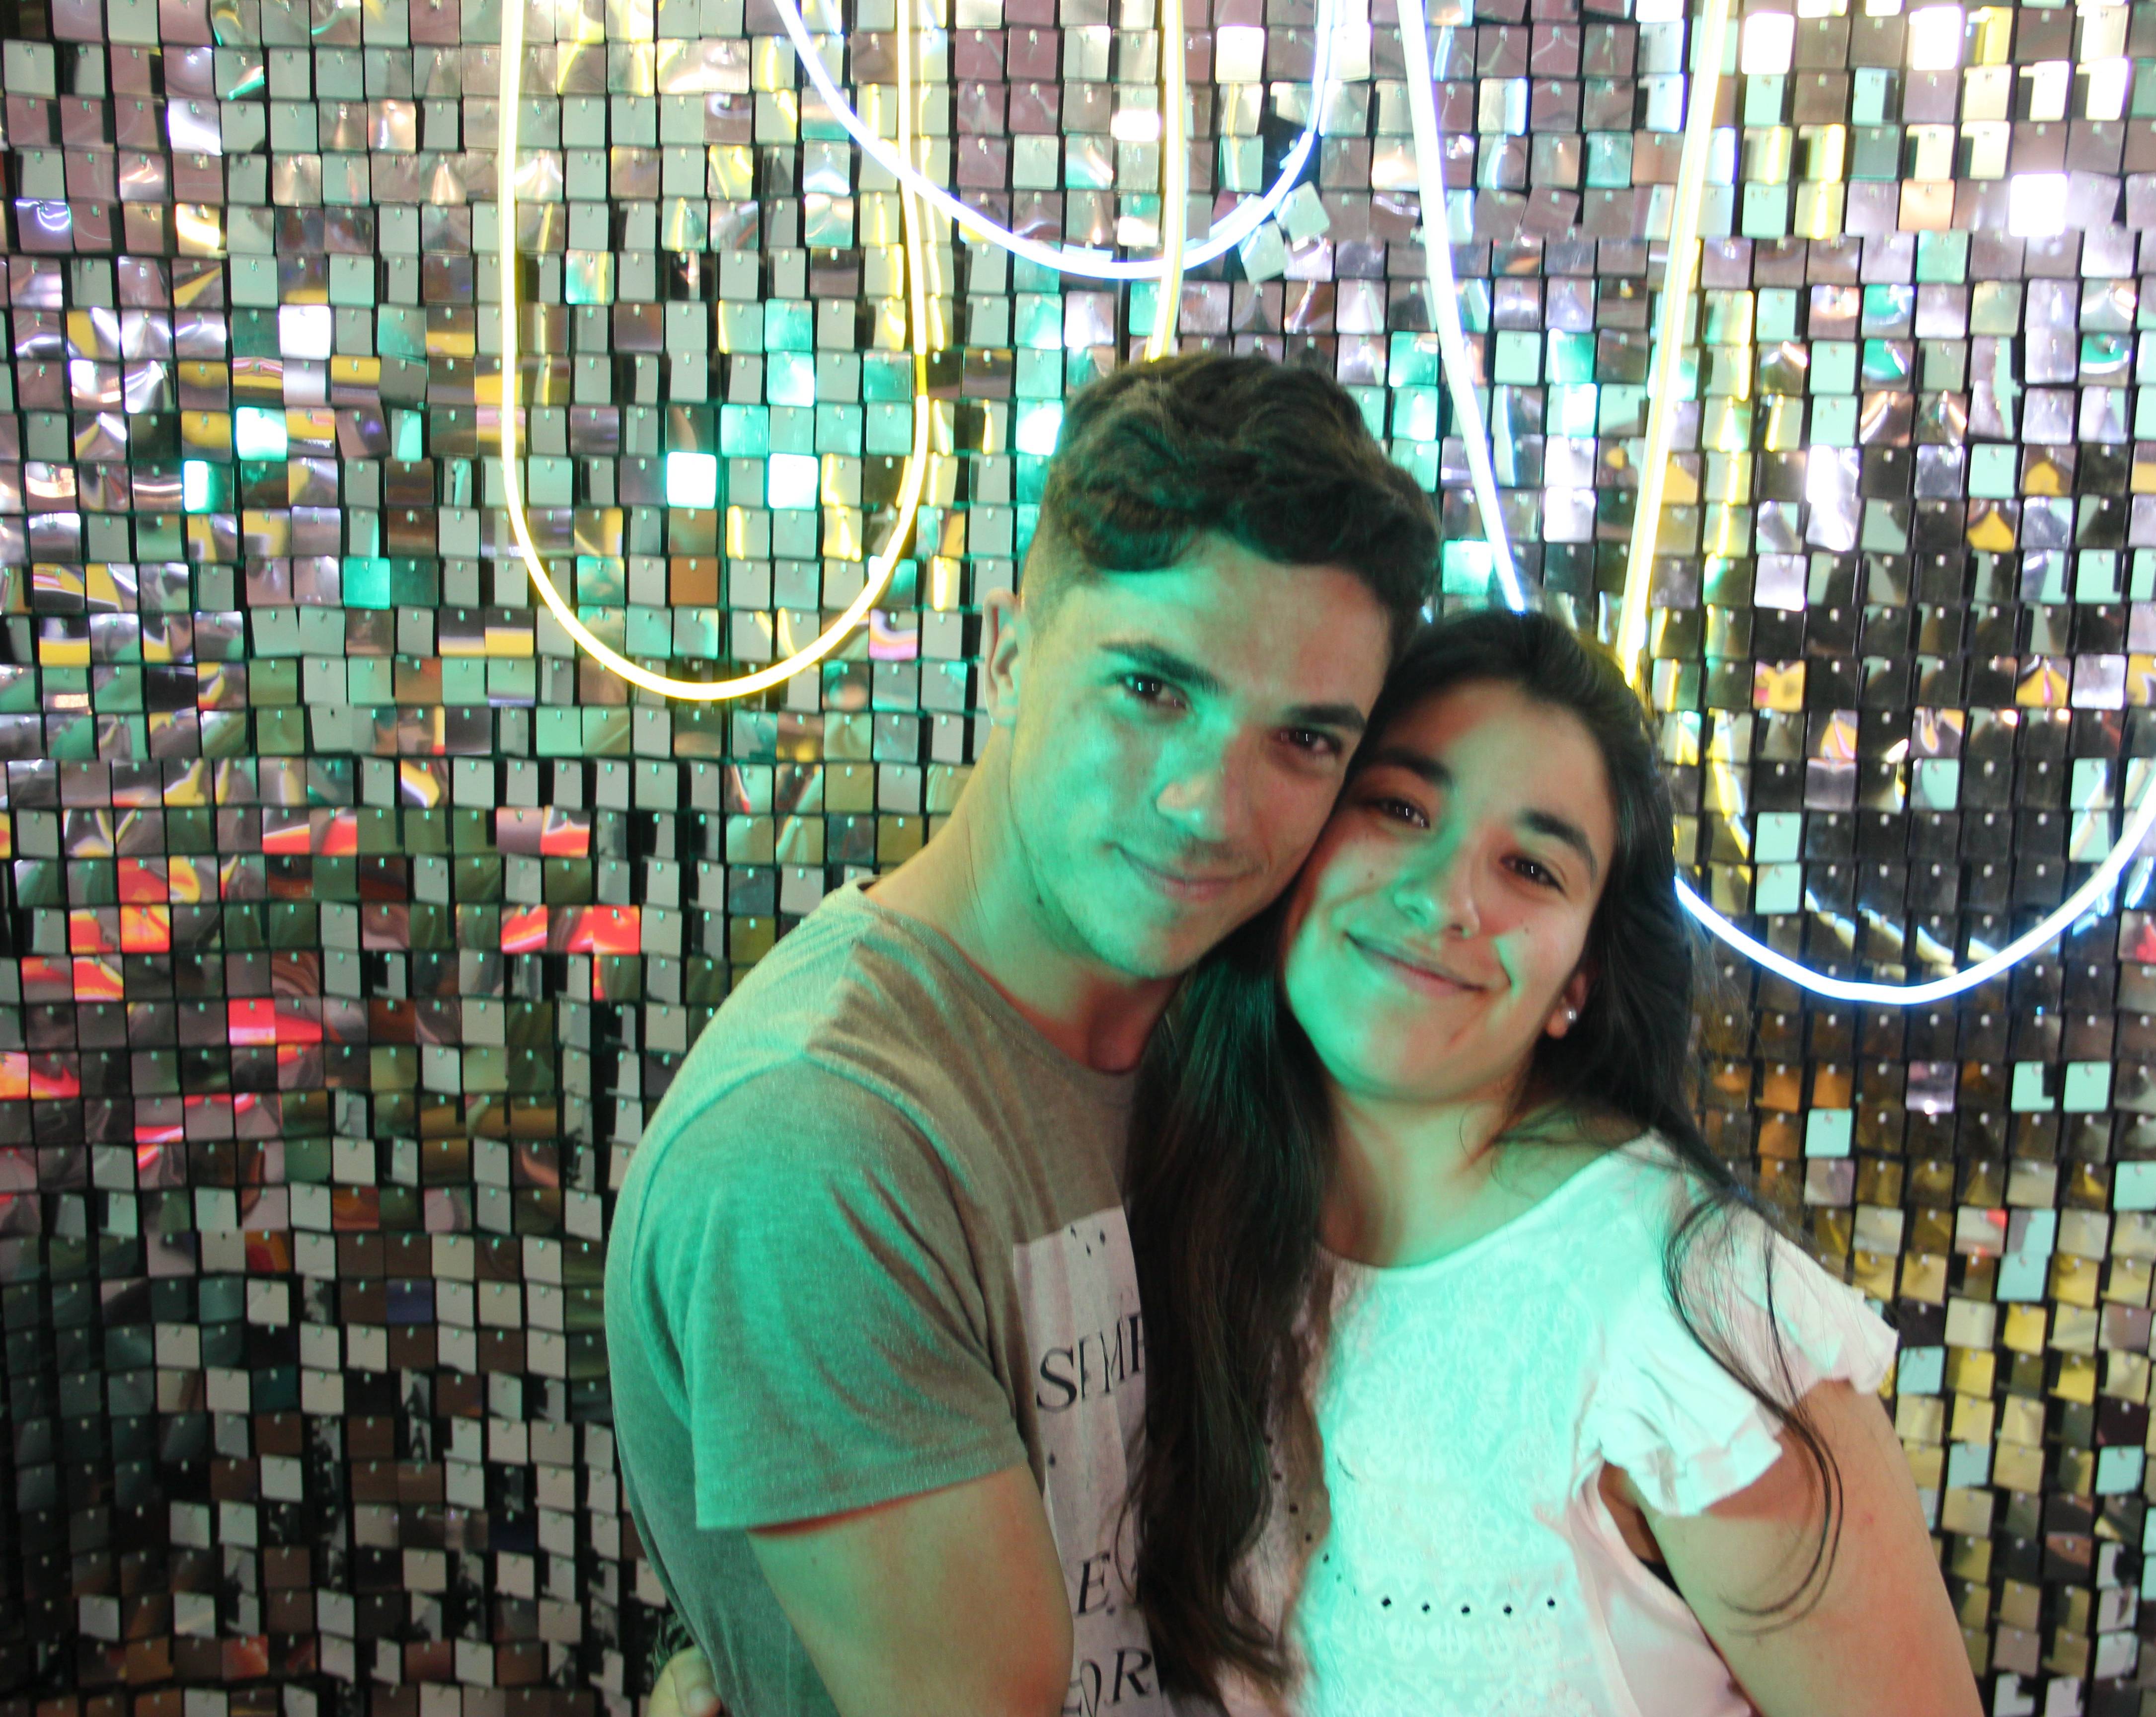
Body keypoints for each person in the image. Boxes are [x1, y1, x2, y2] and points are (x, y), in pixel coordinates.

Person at [652, 608, 1984, 1715]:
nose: (1446, 897)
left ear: (1581, 978)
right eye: (1398, 809)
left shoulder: (1685, 1314)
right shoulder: (1198, 1201)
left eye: (1532, 867)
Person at [604, 351, 1440, 1717]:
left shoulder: (1254, 1031)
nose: (1210, 807)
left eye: (1302, 742)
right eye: (1152, 689)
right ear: (1006, 655)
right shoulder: (820, 1148)